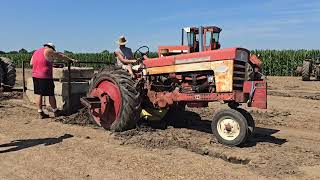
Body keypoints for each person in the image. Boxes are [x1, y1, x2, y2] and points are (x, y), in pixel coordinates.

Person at [30, 43, 78, 119]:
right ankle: (55, 111)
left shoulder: (36, 52)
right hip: (45, 76)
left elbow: (31, 63)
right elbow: (60, 55)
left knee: (38, 94)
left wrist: (48, 64)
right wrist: (70, 60)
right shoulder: (49, 50)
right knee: (51, 94)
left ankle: (40, 112)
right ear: (51, 47)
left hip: (35, 75)